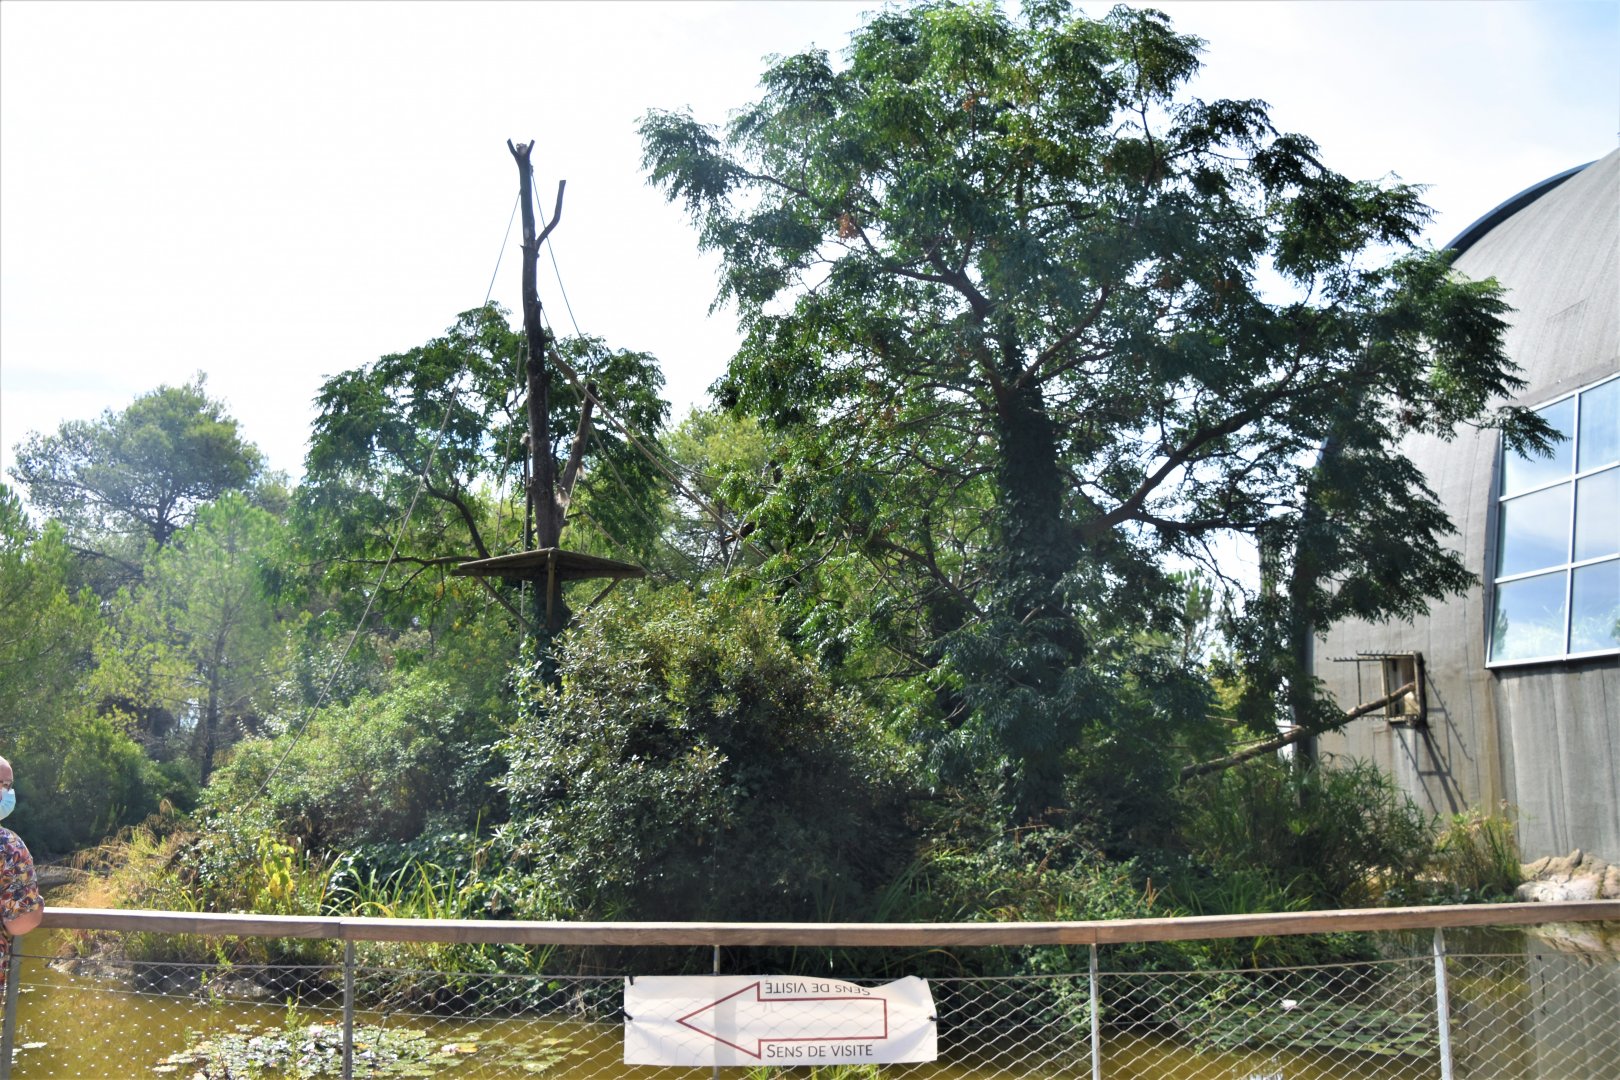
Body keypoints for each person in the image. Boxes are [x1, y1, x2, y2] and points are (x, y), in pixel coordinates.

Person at [0, 756, 43, 994]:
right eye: (2, 784)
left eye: (9, 785)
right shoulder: (8, 847)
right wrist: (39, 907)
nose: (7, 792)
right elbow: (19, 922)